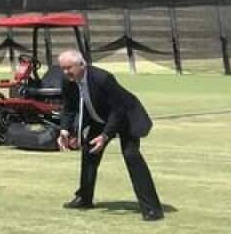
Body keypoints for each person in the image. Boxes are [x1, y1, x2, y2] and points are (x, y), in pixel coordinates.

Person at [56, 49, 163, 221]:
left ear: (82, 65)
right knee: (89, 153)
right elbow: (69, 107)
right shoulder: (67, 80)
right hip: (100, 118)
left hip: (126, 117)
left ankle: (152, 209)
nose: (66, 72)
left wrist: (105, 136)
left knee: (132, 156)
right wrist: (64, 130)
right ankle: (84, 198)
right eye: (63, 68)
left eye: (69, 68)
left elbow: (118, 109)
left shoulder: (102, 78)